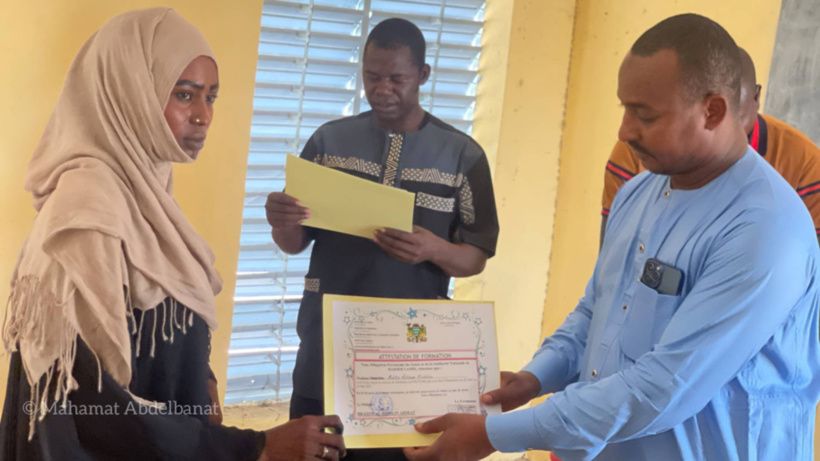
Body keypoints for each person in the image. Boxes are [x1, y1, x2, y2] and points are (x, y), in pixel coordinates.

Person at [403, 13, 820, 461]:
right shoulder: (638, 192)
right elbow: (597, 311)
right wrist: (535, 378)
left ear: (712, 111)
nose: (624, 131)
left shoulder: (765, 229)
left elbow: (664, 388)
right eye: (625, 109)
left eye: (645, 115)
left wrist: (495, 434)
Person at [0, 8, 345, 461]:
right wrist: (254, 447)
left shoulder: (148, 196)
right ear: (128, 92)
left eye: (211, 97)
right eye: (184, 95)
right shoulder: (87, 212)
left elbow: (156, 324)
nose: (203, 116)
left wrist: (201, 379)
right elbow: (92, 411)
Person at [265, 17, 499, 461]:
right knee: (314, 449)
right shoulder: (329, 143)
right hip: (325, 345)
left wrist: (433, 249)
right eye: (372, 76)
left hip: (407, 357)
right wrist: (282, 220)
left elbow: (476, 257)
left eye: (396, 79)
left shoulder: (462, 156)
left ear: (423, 75)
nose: (382, 89)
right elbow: (294, 242)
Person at [601, 48, 820, 245]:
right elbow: (611, 256)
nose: (721, 130)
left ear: (756, 98)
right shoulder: (639, 149)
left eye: (735, 116)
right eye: (708, 116)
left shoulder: (806, 165)